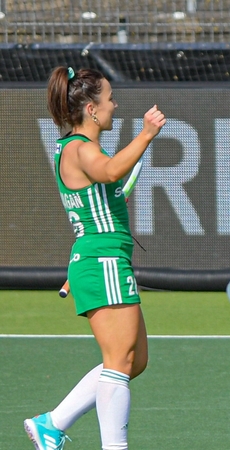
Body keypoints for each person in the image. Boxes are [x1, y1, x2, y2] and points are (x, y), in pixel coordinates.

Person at [24, 66, 165, 450]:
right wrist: (147, 135)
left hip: (101, 260)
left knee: (133, 361)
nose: (114, 106)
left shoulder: (74, 147)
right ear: (91, 109)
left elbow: (103, 190)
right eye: (109, 100)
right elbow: (110, 171)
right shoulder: (82, 150)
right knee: (119, 364)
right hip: (102, 262)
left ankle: (53, 423)